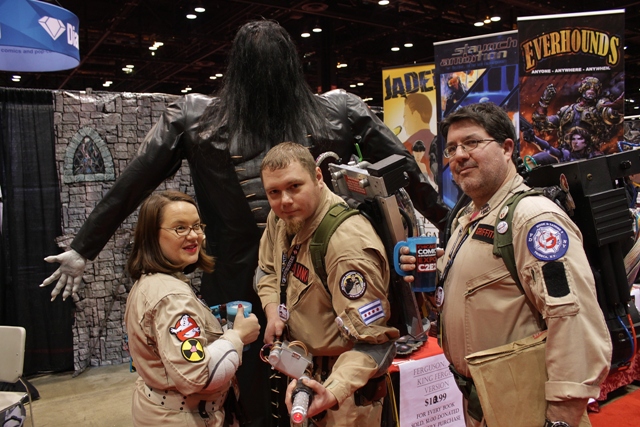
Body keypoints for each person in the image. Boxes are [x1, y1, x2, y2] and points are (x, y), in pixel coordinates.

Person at [40, 19, 448, 426]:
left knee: (266, 385)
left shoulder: (195, 117)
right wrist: (450, 225)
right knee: (294, 380)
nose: (283, 201)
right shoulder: (339, 110)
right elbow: (408, 172)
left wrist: (83, 248)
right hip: (284, 285)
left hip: (268, 281)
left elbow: (131, 183)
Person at [400, 102, 611, 427]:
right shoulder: (469, 219)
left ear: (507, 148)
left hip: (528, 408)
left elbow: (574, 320)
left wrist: (561, 418)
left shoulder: (532, 218)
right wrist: (430, 280)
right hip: (484, 404)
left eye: (472, 142)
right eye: (452, 148)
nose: (459, 155)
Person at [256, 142, 399, 426]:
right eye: (274, 192)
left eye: (294, 186)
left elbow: (374, 343)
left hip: (345, 391)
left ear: (318, 177)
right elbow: (266, 269)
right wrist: (273, 310)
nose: (285, 200)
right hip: (303, 374)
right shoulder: (282, 218)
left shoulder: (346, 245)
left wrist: (332, 392)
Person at [124, 190, 260, 426]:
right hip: (184, 417)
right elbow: (196, 375)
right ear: (152, 235)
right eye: (180, 228)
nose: (194, 236)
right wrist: (237, 336)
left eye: (196, 226)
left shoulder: (152, 281)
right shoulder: (172, 298)